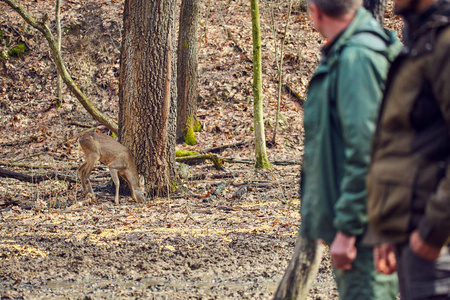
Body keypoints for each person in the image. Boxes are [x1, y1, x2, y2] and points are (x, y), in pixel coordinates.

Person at [299, 0, 401, 298]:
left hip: (367, 232)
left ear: (315, 11)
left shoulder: (358, 58)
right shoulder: (348, 52)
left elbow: (368, 150)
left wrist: (348, 229)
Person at [365, 0, 450, 299]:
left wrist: (434, 229)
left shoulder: (444, 44)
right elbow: (398, 146)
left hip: (436, 247)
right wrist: (386, 229)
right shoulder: (419, 43)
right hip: (412, 234)